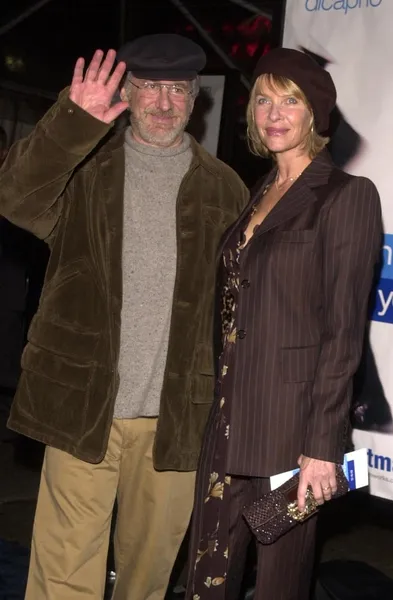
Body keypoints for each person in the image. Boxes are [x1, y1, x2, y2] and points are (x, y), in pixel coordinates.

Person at [0, 34, 249, 600]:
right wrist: (69, 123)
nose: (163, 102)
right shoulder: (85, 168)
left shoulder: (225, 189)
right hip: (82, 404)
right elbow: (15, 196)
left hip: (177, 418)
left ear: (195, 100)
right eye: (147, 87)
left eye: (176, 90)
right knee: (64, 572)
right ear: (126, 94)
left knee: (149, 577)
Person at [186, 48, 382, 600]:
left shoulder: (346, 196)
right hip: (228, 424)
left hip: (291, 435)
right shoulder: (259, 194)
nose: (273, 112)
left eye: (289, 100)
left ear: (314, 112)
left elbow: (343, 331)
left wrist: (322, 444)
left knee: (279, 584)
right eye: (264, 99)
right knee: (208, 576)